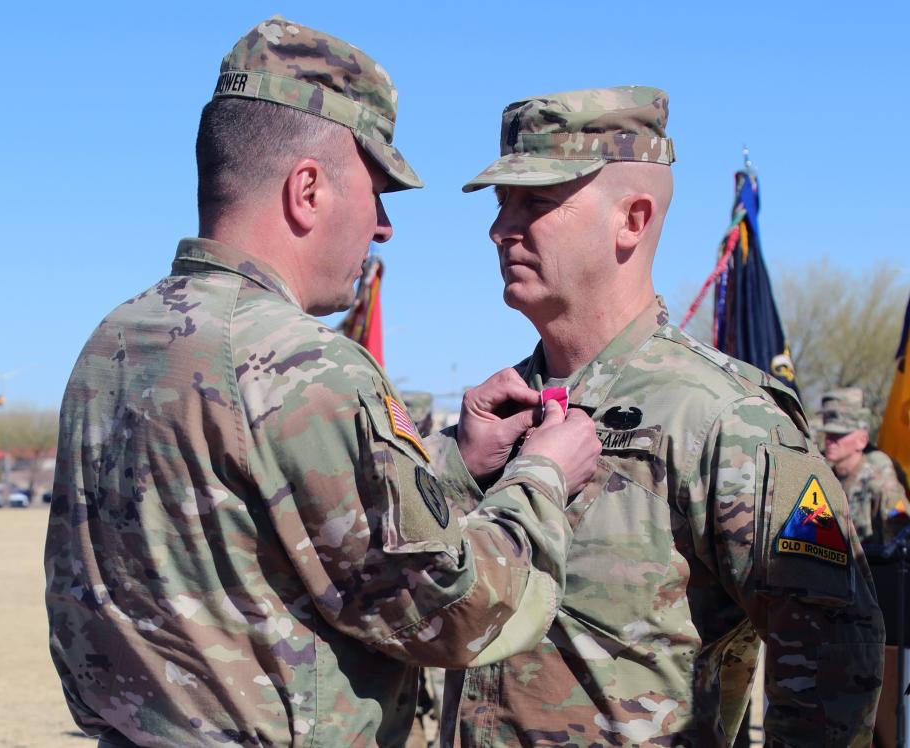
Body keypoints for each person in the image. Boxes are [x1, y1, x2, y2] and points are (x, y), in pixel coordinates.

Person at [43, 17, 603, 747]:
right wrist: (542, 477)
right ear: (308, 188)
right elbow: (454, 615)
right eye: (377, 192)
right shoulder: (303, 365)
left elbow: (257, 523)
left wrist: (450, 465)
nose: (383, 228)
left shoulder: (115, 341)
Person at [431, 86, 885, 746]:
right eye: (503, 202)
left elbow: (833, 654)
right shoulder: (499, 413)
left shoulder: (722, 417)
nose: (501, 228)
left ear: (632, 219)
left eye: (536, 201)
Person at [819, 387, 907, 545]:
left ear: (862, 440)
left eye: (840, 434)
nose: (830, 440)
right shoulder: (822, 476)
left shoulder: (879, 482)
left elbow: (899, 543)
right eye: (828, 433)